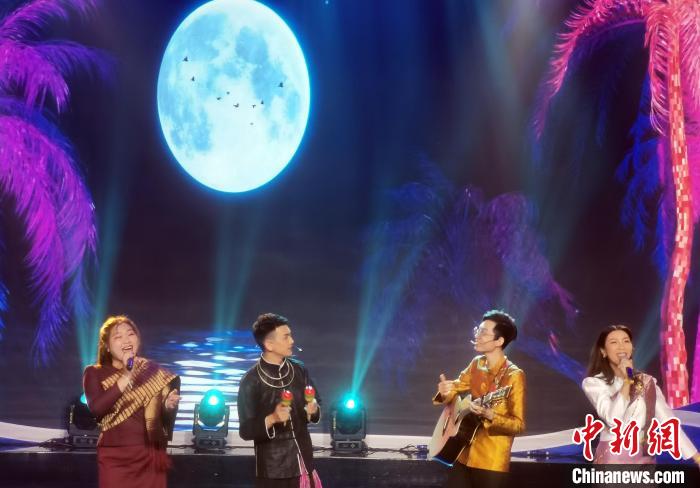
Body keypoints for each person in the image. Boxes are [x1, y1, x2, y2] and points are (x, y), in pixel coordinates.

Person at [83, 315, 181, 488]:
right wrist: (127, 375)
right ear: (107, 346)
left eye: (130, 334)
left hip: (149, 456)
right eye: (118, 336)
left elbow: (155, 416)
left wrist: (167, 405)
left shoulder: (150, 370)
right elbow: (97, 409)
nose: (126, 340)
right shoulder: (93, 372)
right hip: (114, 458)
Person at [582, 324, 700, 465]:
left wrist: (696, 458)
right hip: (613, 455)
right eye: (614, 342)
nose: (621, 346)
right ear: (603, 351)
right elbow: (613, 419)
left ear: (632, 348)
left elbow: (667, 421)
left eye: (626, 341)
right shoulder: (594, 383)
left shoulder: (647, 382)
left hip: (645, 455)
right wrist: (628, 380)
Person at [433, 310, 526, 488]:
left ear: (499, 341)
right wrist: (445, 391)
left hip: (491, 459)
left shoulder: (514, 375)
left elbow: (519, 425)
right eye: (478, 330)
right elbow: (456, 387)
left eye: (484, 332)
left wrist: (491, 415)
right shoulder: (477, 363)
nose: (477, 335)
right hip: (462, 452)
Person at [237, 313, 322, 488]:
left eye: (291, 335)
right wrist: (272, 418)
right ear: (269, 344)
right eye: (286, 337)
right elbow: (245, 430)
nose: (292, 341)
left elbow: (316, 401)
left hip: (304, 462)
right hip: (272, 470)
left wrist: (313, 409)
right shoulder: (251, 380)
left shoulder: (299, 370)